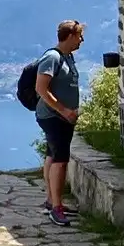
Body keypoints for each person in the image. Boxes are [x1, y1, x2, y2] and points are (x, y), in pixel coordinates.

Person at [35, 20, 84, 227]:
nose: (82, 40)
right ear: (70, 35)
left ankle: (51, 200)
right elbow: (41, 88)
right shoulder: (52, 57)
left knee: (52, 155)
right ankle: (56, 208)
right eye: (80, 36)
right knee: (60, 161)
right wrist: (63, 110)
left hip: (62, 117)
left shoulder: (68, 57)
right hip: (54, 117)